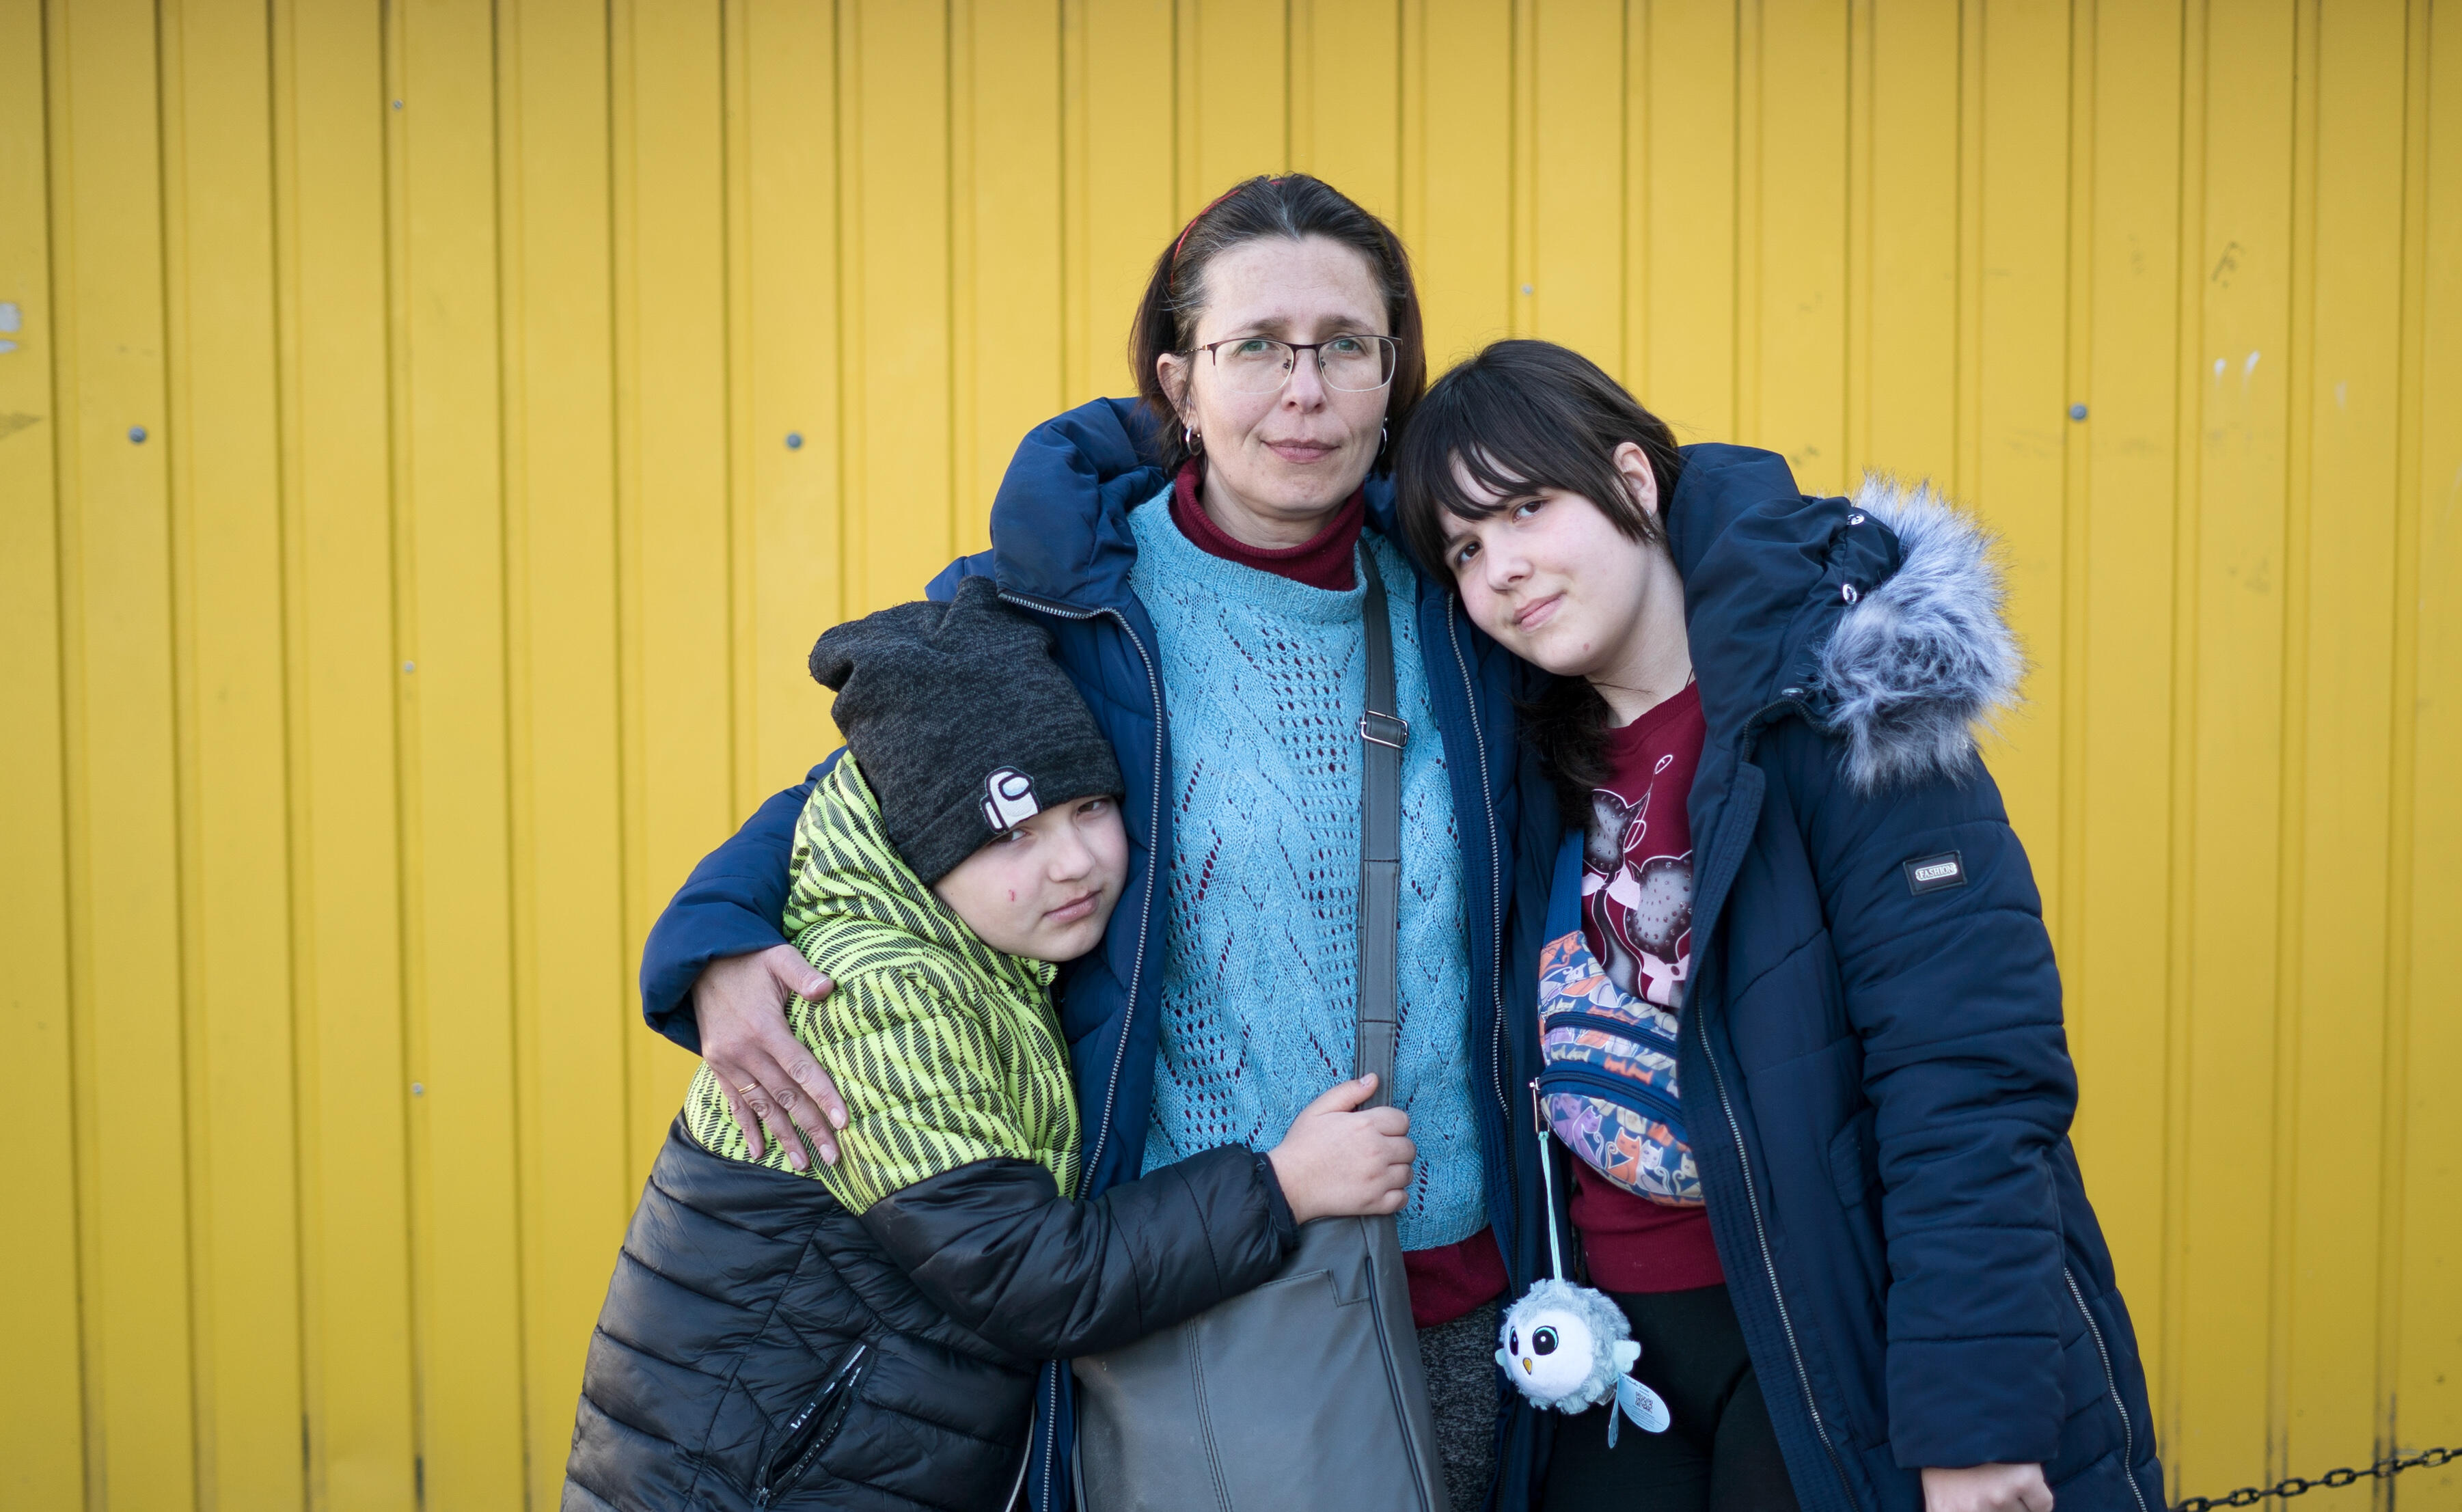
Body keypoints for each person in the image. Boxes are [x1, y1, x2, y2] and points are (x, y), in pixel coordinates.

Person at [635, 176, 1534, 1511]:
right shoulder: (1072, 604)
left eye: (1347, 344)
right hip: (1187, 1285)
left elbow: (1672, 547)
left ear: (1395, 373)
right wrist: (716, 943)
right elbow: (863, 787)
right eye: (1256, 348)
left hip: (1461, 1285)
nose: (1306, 390)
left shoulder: (1476, 590)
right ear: (1178, 377)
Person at [1397, 341, 2165, 1512]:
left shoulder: (1839, 710)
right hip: (1609, 1361)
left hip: (1819, 1335)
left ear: (1634, 482)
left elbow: (1965, 1085)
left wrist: (1974, 1423)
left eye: (1527, 508)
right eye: (1463, 547)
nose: (1500, 569)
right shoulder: (1522, 762)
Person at [564, 582, 1415, 1511]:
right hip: (745, 1485)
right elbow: (1029, 1274)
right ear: (920, 846)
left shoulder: (979, 955)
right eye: (1010, 834)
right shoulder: (878, 992)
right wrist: (1284, 1183)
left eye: (1089, 805)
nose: (1073, 862)